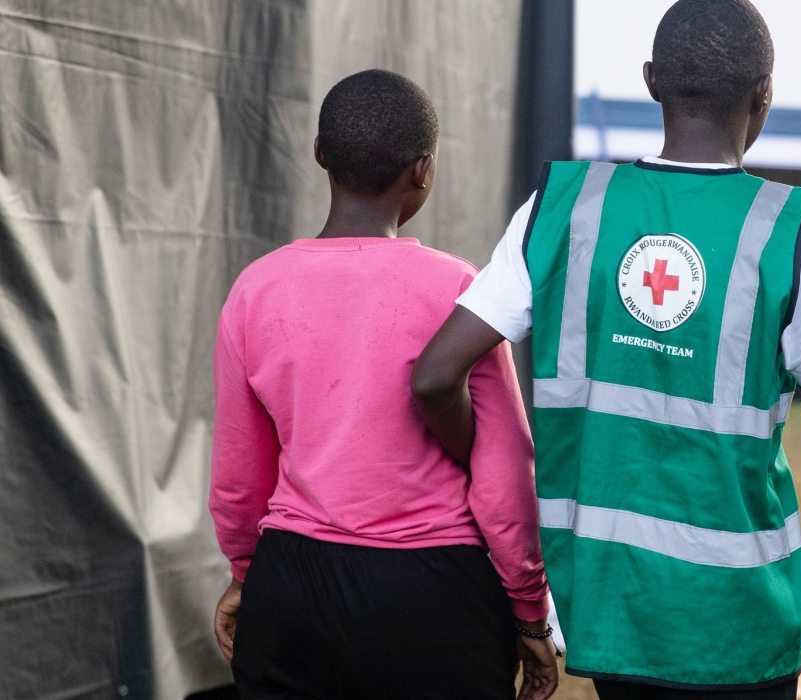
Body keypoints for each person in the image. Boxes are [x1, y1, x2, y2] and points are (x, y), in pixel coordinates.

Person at [412, 2, 801, 697]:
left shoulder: (559, 208)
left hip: (610, 605)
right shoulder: (798, 234)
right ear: (764, 91)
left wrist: (487, 464)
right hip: (740, 619)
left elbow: (436, 374)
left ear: (651, 81)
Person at [207, 70, 558, 700]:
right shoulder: (459, 290)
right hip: (435, 596)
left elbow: (239, 480)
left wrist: (246, 573)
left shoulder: (254, 290)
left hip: (292, 588)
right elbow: (504, 472)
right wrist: (528, 607)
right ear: (423, 169)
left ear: (320, 155)